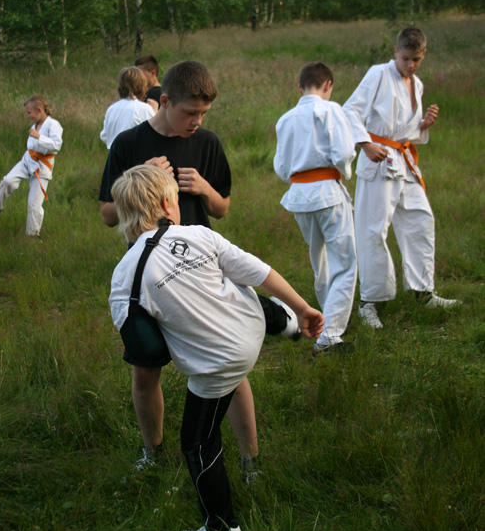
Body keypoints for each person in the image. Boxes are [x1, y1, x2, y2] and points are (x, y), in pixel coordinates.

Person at [109, 164, 325, 531]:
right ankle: (288, 323)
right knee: (232, 285)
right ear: (167, 205)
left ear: (125, 217)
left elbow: (145, 348)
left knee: (196, 443)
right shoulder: (198, 234)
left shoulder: (126, 275)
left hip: (218, 365)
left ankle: (222, 529)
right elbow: (259, 272)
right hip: (251, 329)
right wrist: (304, 308)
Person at [99, 61, 262, 479]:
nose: (197, 121)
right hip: (150, 278)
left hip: (200, 272)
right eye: (190, 112)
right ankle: (152, 452)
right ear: (165, 101)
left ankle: (251, 461)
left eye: (203, 113)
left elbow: (222, 209)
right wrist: (141, 177)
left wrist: (205, 189)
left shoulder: (207, 143)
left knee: (226, 365)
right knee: (145, 370)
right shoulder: (129, 143)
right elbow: (107, 215)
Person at [343, 27, 460, 328]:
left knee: (421, 220)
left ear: (424, 55)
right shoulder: (378, 74)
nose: (410, 65)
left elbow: (406, 131)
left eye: (416, 60)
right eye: (405, 58)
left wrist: (423, 125)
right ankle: (369, 302)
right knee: (373, 230)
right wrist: (365, 144)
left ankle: (423, 292)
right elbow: (350, 111)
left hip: (403, 162)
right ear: (395, 52)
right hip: (379, 160)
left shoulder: (417, 84)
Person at [274, 62, 357, 355]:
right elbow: (344, 152)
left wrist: (299, 180)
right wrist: (344, 171)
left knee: (320, 260)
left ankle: (327, 319)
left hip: (300, 195)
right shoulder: (330, 109)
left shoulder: (285, 119)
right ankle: (329, 335)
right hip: (327, 193)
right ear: (328, 84)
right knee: (344, 263)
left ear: (300, 88)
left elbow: (281, 166)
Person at [0, 95, 63, 237]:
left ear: (39, 110)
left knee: (34, 205)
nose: (28, 116)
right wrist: (35, 137)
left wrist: (39, 137)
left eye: (29, 113)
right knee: (8, 181)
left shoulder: (53, 125)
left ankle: (32, 236)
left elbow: (56, 145)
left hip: (42, 167)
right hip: (27, 160)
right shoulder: (35, 126)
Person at [100, 66, 154, 149]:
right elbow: (155, 133)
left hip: (113, 153)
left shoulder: (111, 109)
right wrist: (155, 111)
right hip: (135, 155)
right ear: (142, 86)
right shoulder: (143, 109)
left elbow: (104, 135)